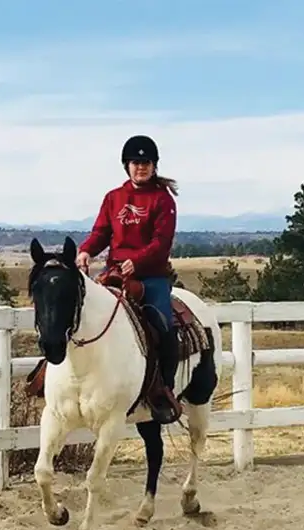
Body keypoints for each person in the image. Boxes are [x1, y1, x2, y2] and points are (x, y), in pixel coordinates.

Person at [76, 134, 182, 424]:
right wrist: (86, 250)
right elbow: (101, 233)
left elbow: (162, 242)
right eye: (136, 162)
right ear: (127, 165)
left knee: (163, 325)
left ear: (154, 165)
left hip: (152, 277)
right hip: (114, 272)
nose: (141, 167)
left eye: (146, 162)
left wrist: (137, 261)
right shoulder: (113, 198)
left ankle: (163, 389)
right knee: (83, 315)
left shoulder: (162, 200)